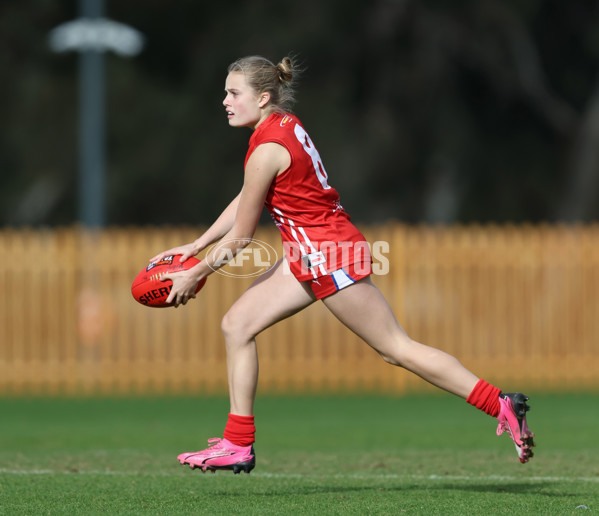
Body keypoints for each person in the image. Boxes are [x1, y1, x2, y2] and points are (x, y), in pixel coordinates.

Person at [150, 55, 535, 474]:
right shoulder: (282, 125)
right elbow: (249, 196)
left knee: (395, 349)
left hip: (326, 254)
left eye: (233, 93)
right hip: (310, 253)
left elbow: (242, 237)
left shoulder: (267, 147)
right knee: (237, 325)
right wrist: (198, 244)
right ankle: (238, 444)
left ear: (262, 98)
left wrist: (194, 273)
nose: (224, 100)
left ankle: (500, 403)